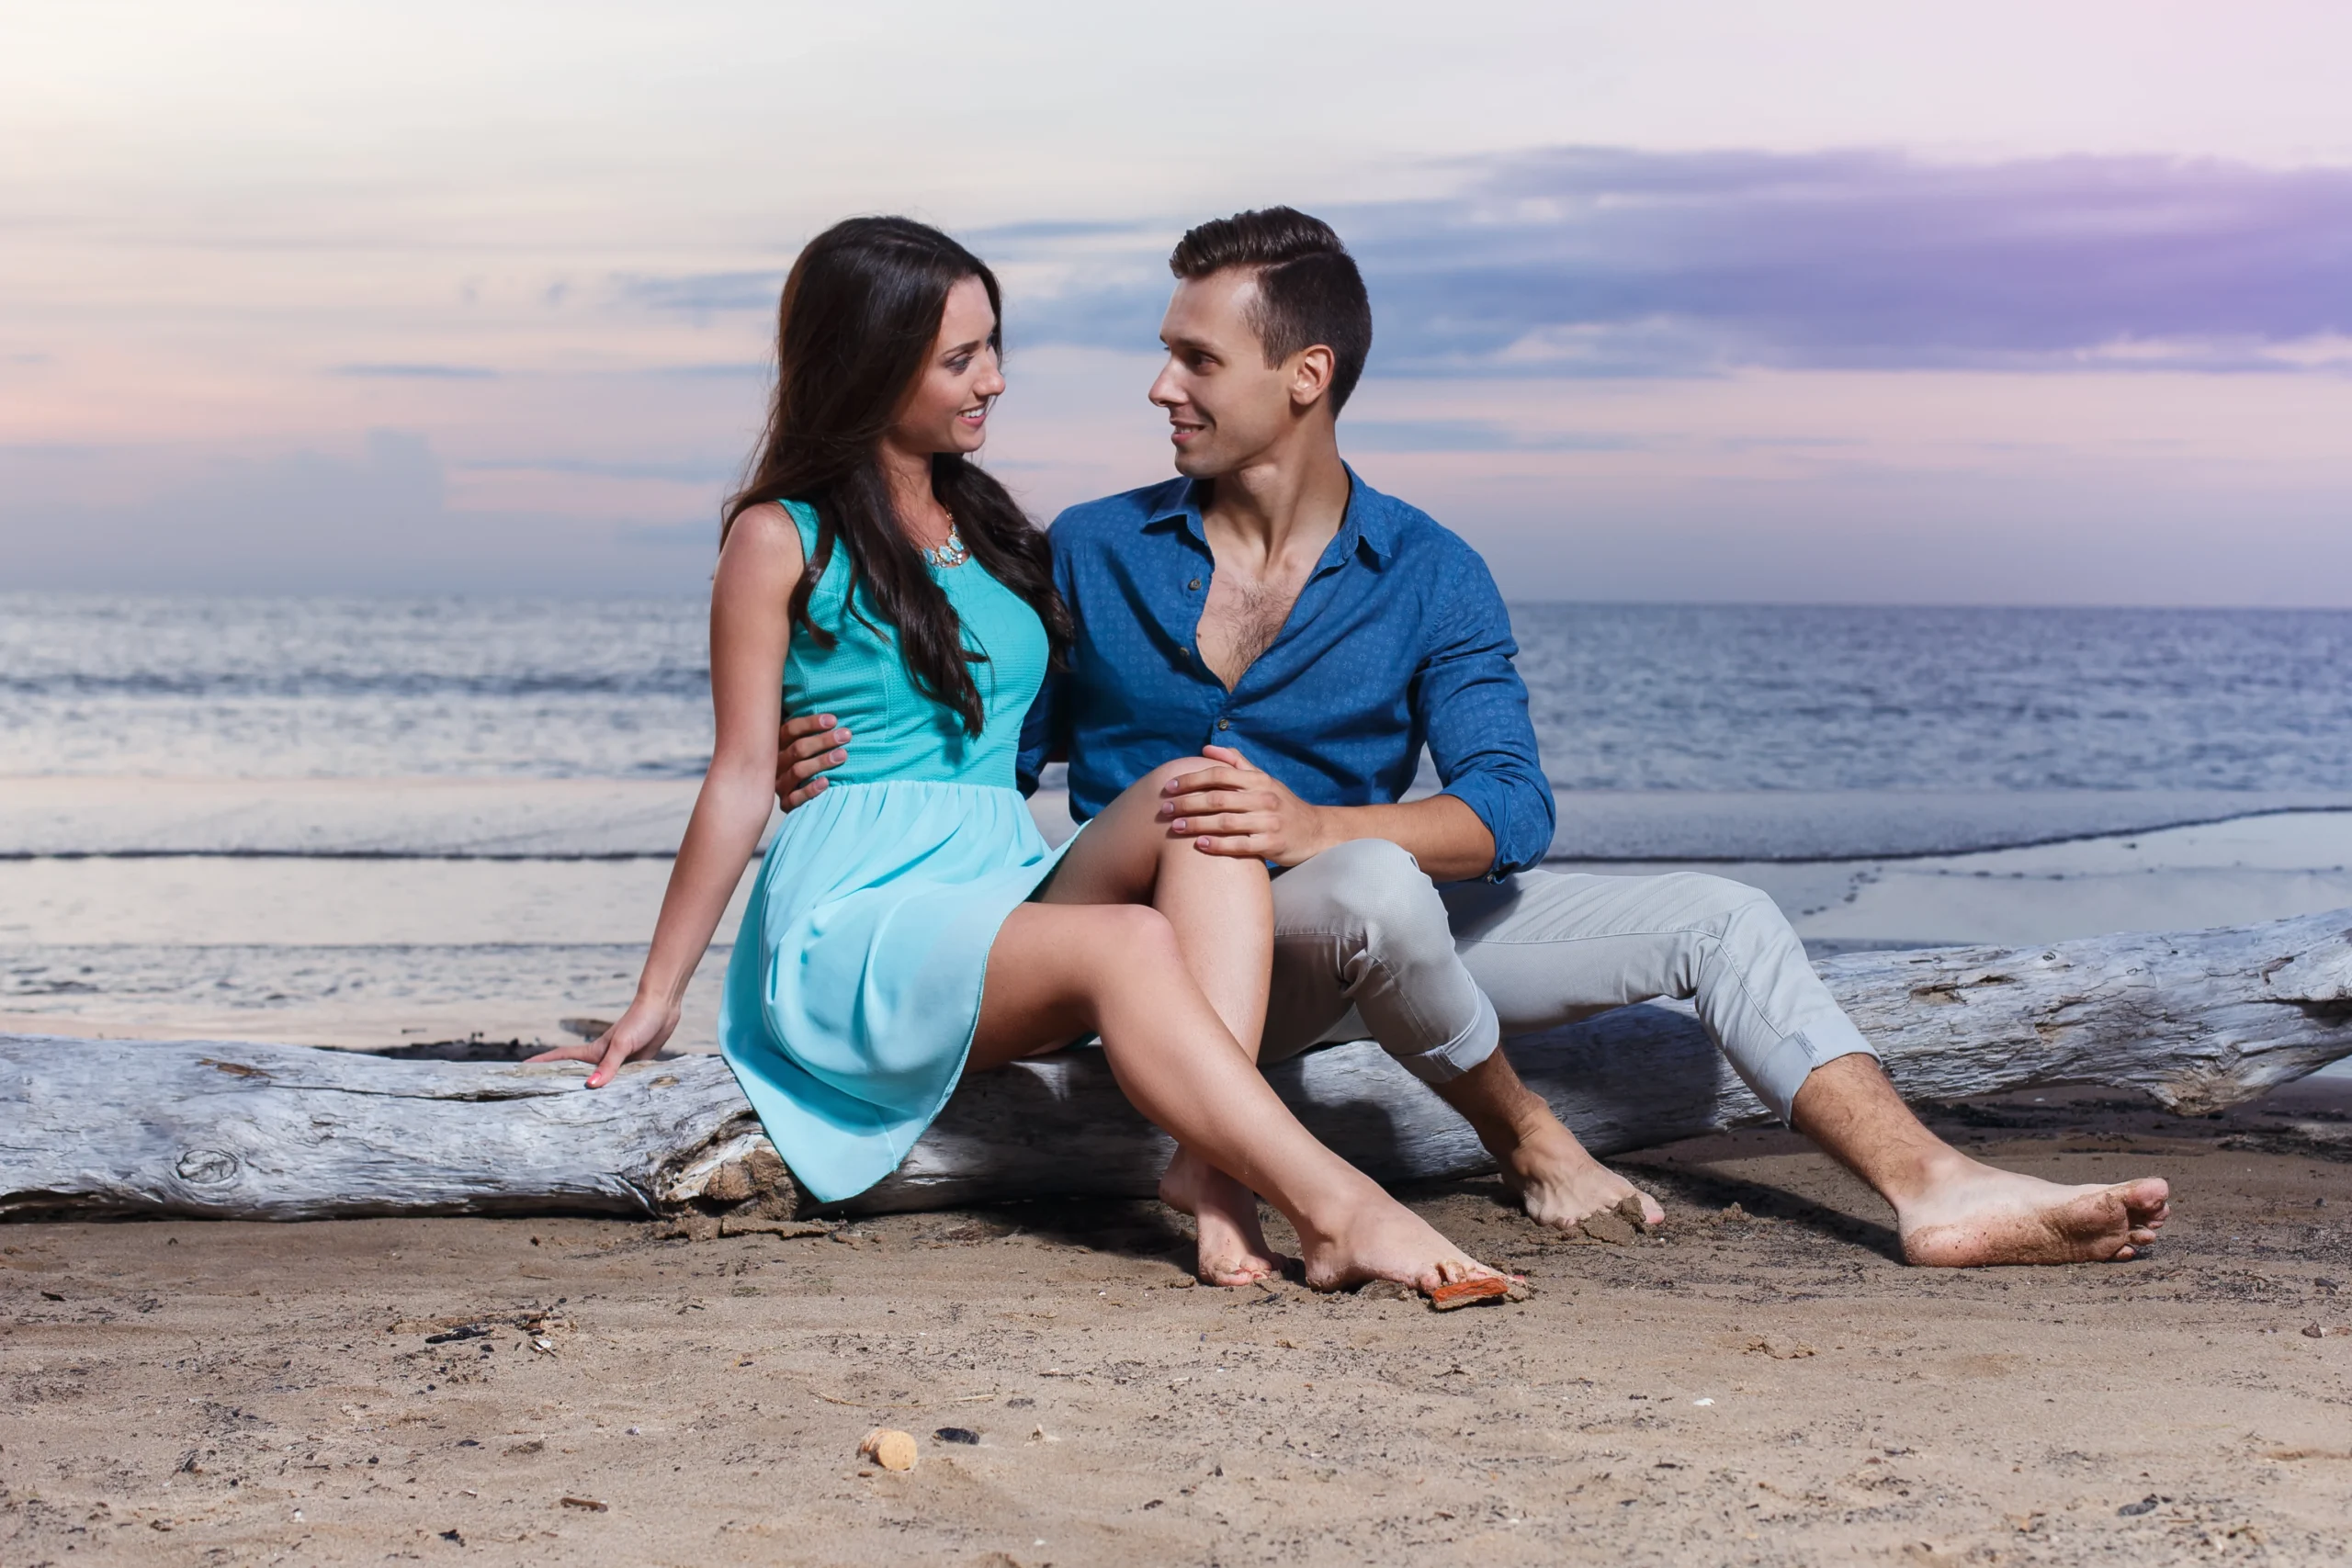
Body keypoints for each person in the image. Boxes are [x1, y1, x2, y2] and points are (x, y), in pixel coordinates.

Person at [778, 207, 2170, 1277]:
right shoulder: (1089, 548)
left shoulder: (1433, 571)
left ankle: (1935, 1187)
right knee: (1378, 891)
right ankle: (1522, 1135)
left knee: (1723, 915)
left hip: (1373, 929)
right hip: (1185, 956)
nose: (1161, 388)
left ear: (1304, 376)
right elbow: (989, 755)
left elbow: (1510, 808)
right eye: (1167, 353)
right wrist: (827, 759)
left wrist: (1317, 826)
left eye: (1196, 358)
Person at [532, 216, 1506, 1301]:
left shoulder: (991, 529)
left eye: (993, 346)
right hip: (861, 918)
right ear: (870, 365)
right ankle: (1340, 1209)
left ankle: (1212, 1172)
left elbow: (1015, 730)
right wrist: (656, 998)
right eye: (961, 359)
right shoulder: (780, 535)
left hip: (992, 877)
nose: (993, 378)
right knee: (1129, 941)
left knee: (1206, 795)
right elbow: (734, 777)